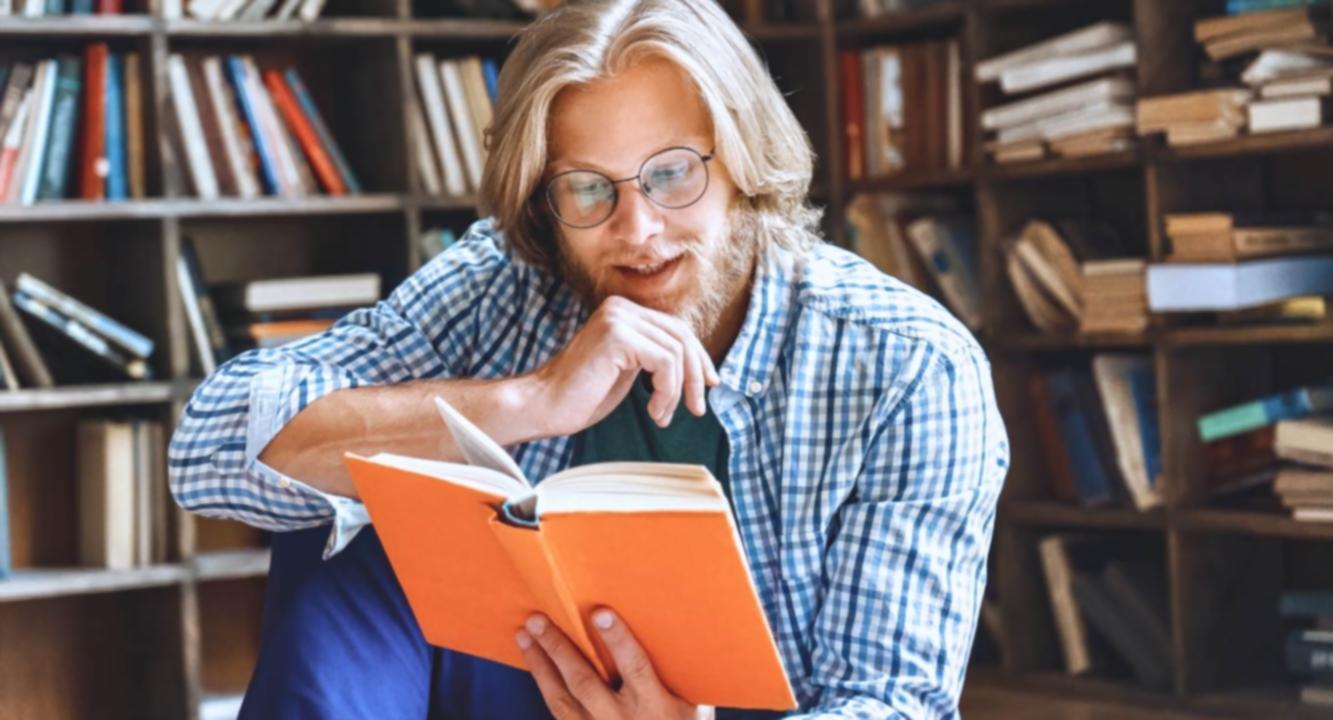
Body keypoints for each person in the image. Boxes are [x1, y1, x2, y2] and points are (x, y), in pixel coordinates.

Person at [168, 0, 1009, 717]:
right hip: (508, 677)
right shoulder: (505, 278)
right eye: (587, 187)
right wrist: (528, 400)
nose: (636, 229)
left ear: (744, 160)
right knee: (346, 494)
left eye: (673, 174)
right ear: (544, 195)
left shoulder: (909, 367)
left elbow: (890, 700)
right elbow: (207, 443)